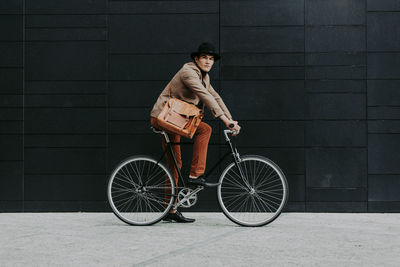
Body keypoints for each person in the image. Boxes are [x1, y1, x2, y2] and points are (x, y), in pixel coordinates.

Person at [150, 42, 241, 223]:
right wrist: (224, 120)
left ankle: (171, 210)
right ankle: (196, 175)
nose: (208, 61)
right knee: (205, 129)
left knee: (175, 164)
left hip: (175, 118)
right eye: (205, 58)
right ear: (196, 59)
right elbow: (204, 96)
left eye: (211, 59)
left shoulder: (204, 78)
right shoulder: (188, 72)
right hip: (164, 116)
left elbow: (215, 97)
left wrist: (231, 120)